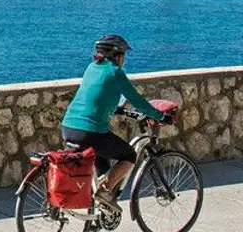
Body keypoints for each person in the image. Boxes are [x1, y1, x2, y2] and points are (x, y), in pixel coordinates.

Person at [60, 35, 166, 217]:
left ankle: (101, 210)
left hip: (68, 127)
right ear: (117, 55)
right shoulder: (115, 72)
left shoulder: (92, 68)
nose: (124, 59)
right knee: (129, 155)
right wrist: (159, 116)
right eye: (123, 55)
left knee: (103, 163)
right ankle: (105, 192)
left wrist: (116, 108)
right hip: (90, 132)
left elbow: (97, 95)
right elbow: (137, 100)